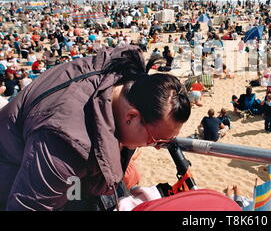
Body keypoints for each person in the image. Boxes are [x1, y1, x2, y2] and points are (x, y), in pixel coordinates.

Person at [0, 46, 192, 211]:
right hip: (13, 178)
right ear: (132, 116)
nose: (157, 146)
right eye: (156, 139)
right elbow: (27, 205)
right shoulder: (65, 144)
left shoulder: (114, 76)